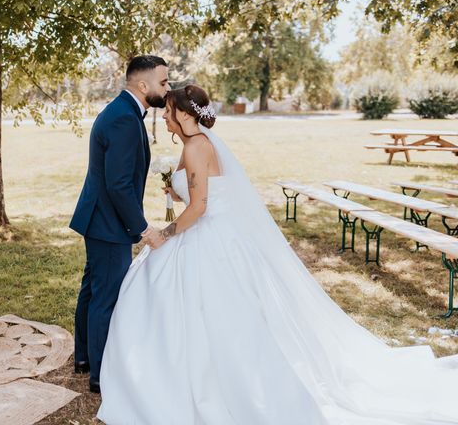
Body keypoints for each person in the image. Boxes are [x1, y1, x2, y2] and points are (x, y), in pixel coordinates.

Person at [97, 84, 458, 424]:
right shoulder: (199, 141)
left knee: (197, 307)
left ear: (184, 116)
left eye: (170, 112)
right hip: (219, 235)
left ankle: (191, 383)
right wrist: (175, 192)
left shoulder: (194, 147)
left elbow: (200, 208)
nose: (164, 116)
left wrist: (163, 233)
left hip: (204, 237)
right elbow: (201, 193)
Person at [69, 55, 170, 394]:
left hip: (99, 217)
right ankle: (100, 373)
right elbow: (119, 185)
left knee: (93, 290)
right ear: (143, 86)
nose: (167, 88)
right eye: (163, 82)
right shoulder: (124, 119)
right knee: (106, 298)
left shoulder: (121, 112)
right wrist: (143, 230)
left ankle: (83, 357)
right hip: (109, 223)